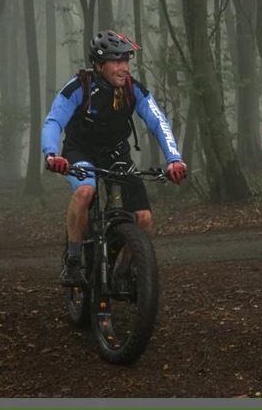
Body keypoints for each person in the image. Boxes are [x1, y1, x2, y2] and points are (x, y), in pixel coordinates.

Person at [42, 30, 187, 287]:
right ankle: (73, 261)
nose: (124, 68)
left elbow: (158, 122)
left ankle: (122, 269)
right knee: (85, 192)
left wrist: (174, 158)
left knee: (143, 218)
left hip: (116, 153)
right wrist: (52, 154)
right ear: (99, 64)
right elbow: (54, 121)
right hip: (80, 151)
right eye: (116, 61)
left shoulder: (132, 89)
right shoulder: (80, 87)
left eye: (126, 61)